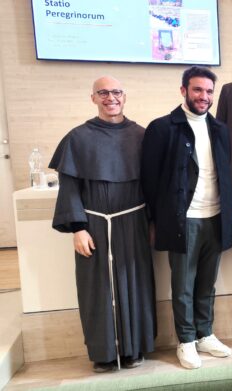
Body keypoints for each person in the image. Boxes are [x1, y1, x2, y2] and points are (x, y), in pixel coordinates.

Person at [49, 76, 156, 372]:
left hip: (134, 221)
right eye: (104, 92)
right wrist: (77, 228)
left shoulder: (141, 135)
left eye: (117, 92)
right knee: (97, 288)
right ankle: (104, 353)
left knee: (135, 283)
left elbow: (152, 184)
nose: (111, 97)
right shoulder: (78, 137)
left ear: (125, 96)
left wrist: (153, 222)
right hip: (95, 225)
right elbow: (69, 186)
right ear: (93, 98)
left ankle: (134, 349)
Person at [141, 66, 232, 369]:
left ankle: (204, 333)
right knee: (183, 284)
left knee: (207, 283)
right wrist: (155, 221)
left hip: (215, 216)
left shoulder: (220, 129)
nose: (204, 96)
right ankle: (185, 340)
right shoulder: (162, 128)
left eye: (209, 91)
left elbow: (223, 174)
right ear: (183, 90)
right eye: (198, 90)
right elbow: (150, 180)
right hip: (183, 220)